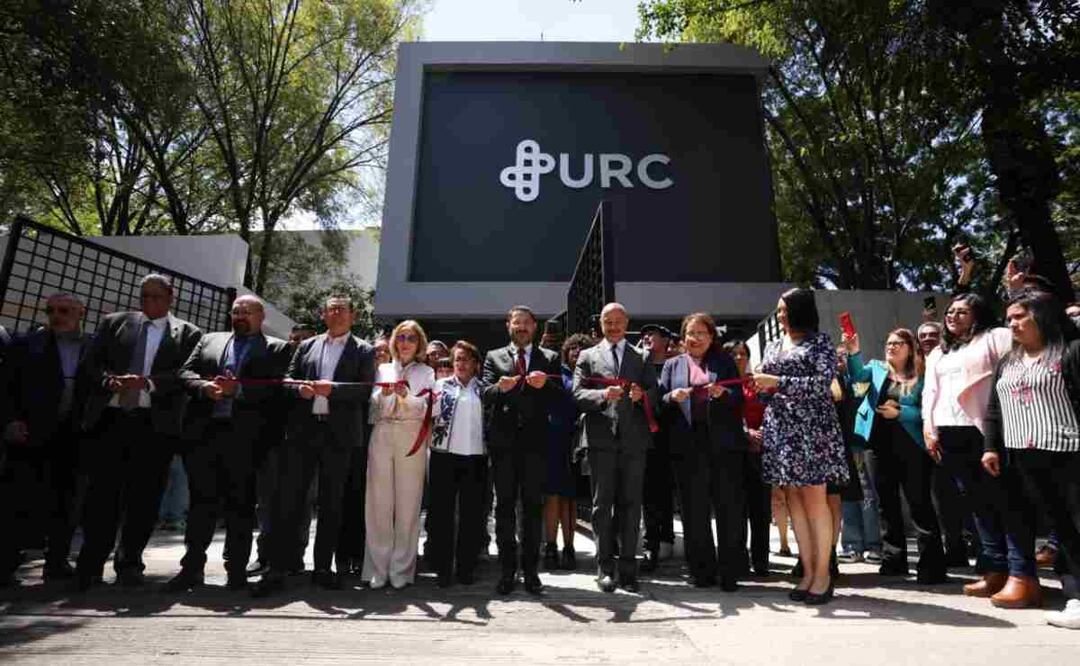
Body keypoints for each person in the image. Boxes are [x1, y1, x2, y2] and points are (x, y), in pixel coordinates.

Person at [75, 274, 203, 590]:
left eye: (156, 296)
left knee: (144, 499)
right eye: (144, 296)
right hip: (111, 420)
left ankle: (129, 563)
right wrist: (109, 381)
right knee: (101, 496)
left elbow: (185, 375)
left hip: (154, 426)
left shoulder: (188, 333)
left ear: (170, 297)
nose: (148, 302)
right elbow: (91, 364)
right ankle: (90, 565)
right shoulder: (115, 323)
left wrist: (149, 383)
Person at [166, 295, 291, 591]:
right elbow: (185, 373)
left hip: (247, 440)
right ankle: (191, 568)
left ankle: (235, 570)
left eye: (247, 312)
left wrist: (241, 391)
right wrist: (204, 387)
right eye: (236, 311)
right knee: (201, 504)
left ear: (261, 317)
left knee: (240, 506)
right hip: (205, 434)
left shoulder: (277, 348)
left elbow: (279, 389)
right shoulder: (209, 340)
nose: (240, 316)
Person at [254, 295, 375, 596]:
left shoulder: (364, 350)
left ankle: (323, 568)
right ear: (324, 315)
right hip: (303, 433)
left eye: (342, 310)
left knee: (332, 504)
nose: (336, 314)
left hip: (339, 436)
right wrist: (300, 390)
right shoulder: (307, 345)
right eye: (331, 309)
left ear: (352, 316)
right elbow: (287, 380)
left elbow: (365, 390)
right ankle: (279, 567)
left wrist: (332, 390)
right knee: (290, 500)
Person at [923, 293, 1039, 607]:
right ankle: (995, 569)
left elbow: (1017, 371)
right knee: (978, 505)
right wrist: (929, 429)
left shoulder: (995, 337)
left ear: (978, 315)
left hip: (986, 432)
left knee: (1007, 502)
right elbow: (930, 392)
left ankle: (1022, 574)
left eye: (962, 312)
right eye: (950, 311)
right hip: (949, 432)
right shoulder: (939, 351)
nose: (953, 316)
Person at [985, 290, 1080, 628]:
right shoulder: (1007, 361)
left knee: (1075, 525)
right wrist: (991, 447)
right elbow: (994, 409)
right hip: (1021, 456)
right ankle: (1075, 597)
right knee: (1061, 530)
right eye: (1008, 318)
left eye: (1019, 316)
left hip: (1067, 452)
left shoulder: (1070, 351)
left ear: (1042, 316)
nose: (1011, 323)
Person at [751, 288, 848, 605]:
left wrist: (778, 382)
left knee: (816, 500)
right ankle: (807, 572)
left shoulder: (820, 342)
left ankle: (823, 574)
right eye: (779, 310)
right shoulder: (774, 345)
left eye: (784, 310)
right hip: (782, 429)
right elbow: (765, 387)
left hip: (812, 430)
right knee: (793, 500)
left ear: (800, 311)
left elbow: (822, 383)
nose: (781, 315)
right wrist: (760, 386)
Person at [1, 294, 92, 582]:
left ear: (80, 313)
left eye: (64, 310)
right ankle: (6, 564)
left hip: (75, 435)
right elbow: (6, 386)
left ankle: (57, 562)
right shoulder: (28, 344)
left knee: (67, 501)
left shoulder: (93, 347)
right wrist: (9, 421)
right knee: (19, 499)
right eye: (50, 310)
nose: (56, 316)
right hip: (32, 433)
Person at [844, 328, 946, 583]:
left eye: (898, 343)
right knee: (886, 505)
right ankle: (893, 560)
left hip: (912, 446)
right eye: (889, 342)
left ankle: (931, 565)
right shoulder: (876, 369)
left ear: (910, 348)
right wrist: (854, 353)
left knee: (919, 503)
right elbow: (857, 380)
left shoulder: (922, 375)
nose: (891, 346)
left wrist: (900, 412)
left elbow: (927, 410)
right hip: (877, 446)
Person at [573, 303, 658, 593]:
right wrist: (601, 395)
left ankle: (628, 569)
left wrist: (641, 395)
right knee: (601, 506)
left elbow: (655, 392)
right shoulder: (587, 356)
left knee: (631, 505)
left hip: (634, 441)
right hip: (601, 441)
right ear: (601, 325)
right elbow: (577, 393)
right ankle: (604, 568)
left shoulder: (642, 356)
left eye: (618, 321)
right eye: (608, 322)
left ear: (627, 323)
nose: (613, 327)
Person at [660, 313, 746, 590]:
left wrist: (723, 394)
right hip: (688, 446)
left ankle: (730, 572)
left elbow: (739, 397)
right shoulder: (672, 365)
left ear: (711, 337)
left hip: (722, 445)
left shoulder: (724, 362)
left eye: (701, 333)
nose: (695, 338)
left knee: (728, 507)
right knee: (693, 510)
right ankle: (701, 571)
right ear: (683, 337)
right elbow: (659, 399)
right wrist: (671, 397)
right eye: (690, 333)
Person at [482, 305, 561, 595]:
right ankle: (506, 570)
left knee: (532, 509)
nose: (522, 327)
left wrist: (545, 385)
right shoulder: (493, 357)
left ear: (535, 327)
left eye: (526, 322)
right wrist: (499, 389)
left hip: (535, 446)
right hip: (503, 445)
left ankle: (530, 571)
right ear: (508, 326)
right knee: (504, 508)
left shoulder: (549, 358)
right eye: (517, 322)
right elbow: (484, 393)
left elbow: (560, 397)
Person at [362, 319, 434, 590]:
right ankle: (378, 568)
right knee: (378, 502)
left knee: (408, 503)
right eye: (401, 337)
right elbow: (373, 406)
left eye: (411, 338)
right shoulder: (382, 368)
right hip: (382, 431)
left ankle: (401, 569)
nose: (405, 343)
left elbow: (427, 407)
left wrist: (407, 395)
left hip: (411, 434)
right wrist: (384, 395)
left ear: (419, 344)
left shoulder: (427, 372)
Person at [251, 324, 318, 577]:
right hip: (272, 441)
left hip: (304, 443)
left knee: (301, 503)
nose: (299, 343)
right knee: (266, 502)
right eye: (295, 338)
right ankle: (264, 556)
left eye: (305, 339)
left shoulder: (313, 368)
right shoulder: (275, 362)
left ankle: (294, 558)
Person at [428, 340, 487, 587]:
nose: (461, 364)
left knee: (471, 515)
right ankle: (442, 568)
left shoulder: (484, 389)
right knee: (442, 514)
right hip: (444, 456)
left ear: (476, 364)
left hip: (476, 458)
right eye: (458, 359)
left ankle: (466, 567)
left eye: (467, 359)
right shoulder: (440, 385)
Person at [544, 333, 590, 571]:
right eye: (573, 347)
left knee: (570, 498)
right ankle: (551, 546)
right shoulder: (557, 372)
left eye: (582, 348)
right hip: (554, 438)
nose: (576, 351)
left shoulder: (590, 374)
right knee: (552, 494)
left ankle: (569, 547)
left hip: (579, 441)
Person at [726, 340, 772, 576]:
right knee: (737, 510)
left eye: (743, 353)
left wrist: (761, 433)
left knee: (761, 510)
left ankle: (761, 561)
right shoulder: (723, 383)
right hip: (734, 452)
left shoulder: (757, 382)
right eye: (734, 354)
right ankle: (739, 560)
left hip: (760, 452)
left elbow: (770, 409)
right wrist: (746, 432)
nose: (739, 357)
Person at [639, 323, 676, 573]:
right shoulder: (639, 366)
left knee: (670, 491)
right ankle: (650, 544)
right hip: (646, 437)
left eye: (652, 334)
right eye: (644, 335)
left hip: (674, 436)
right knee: (649, 492)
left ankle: (668, 537)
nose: (646, 338)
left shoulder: (677, 365)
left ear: (665, 340)